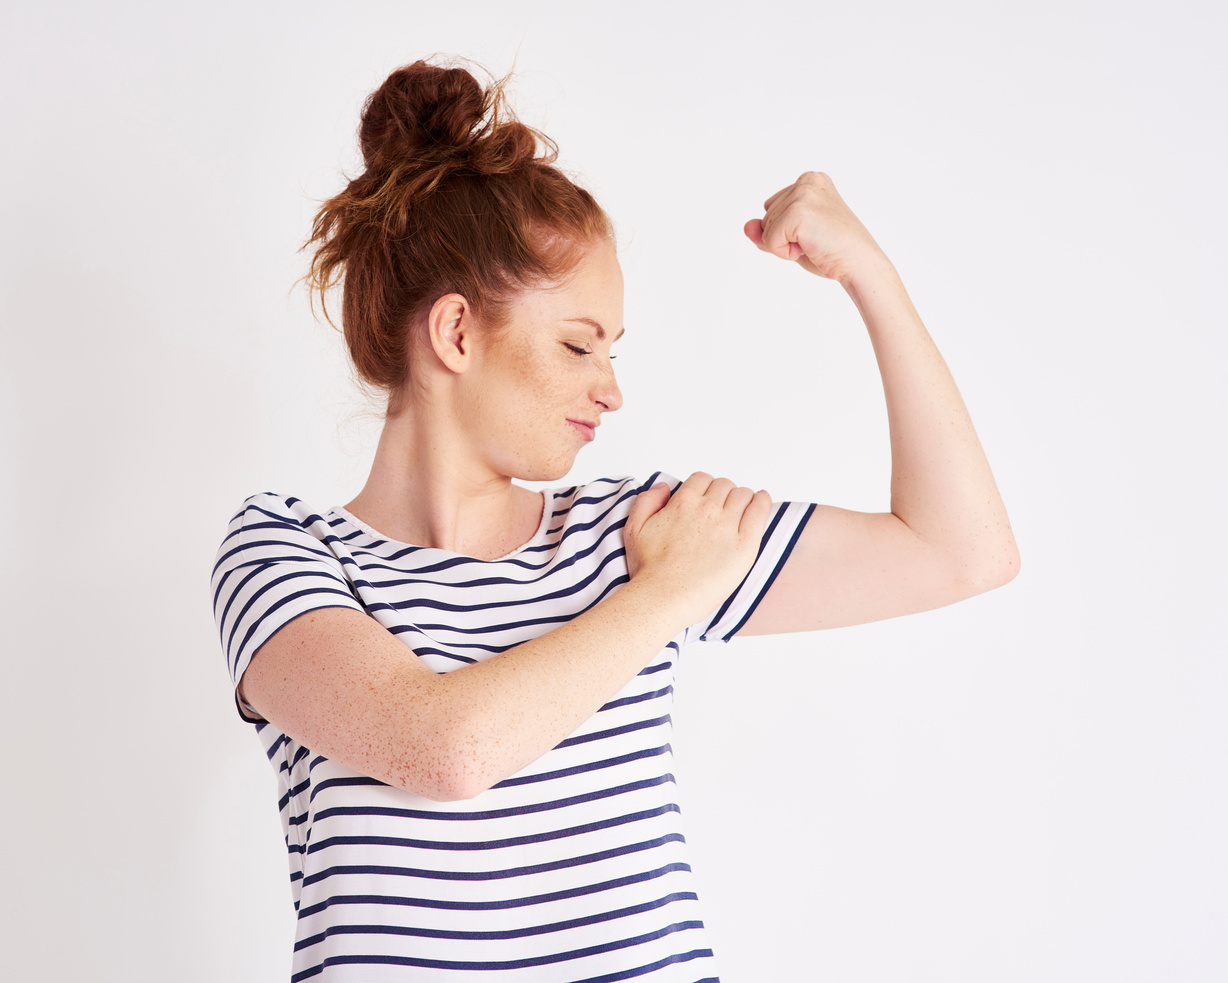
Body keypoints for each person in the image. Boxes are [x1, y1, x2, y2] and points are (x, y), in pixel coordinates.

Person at [211, 57, 1018, 983]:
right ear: (458, 334)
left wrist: (868, 273)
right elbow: (447, 748)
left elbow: (964, 551)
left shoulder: (633, 531)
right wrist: (663, 596)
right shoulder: (284, 549)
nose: (612, 388)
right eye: (577, 343)